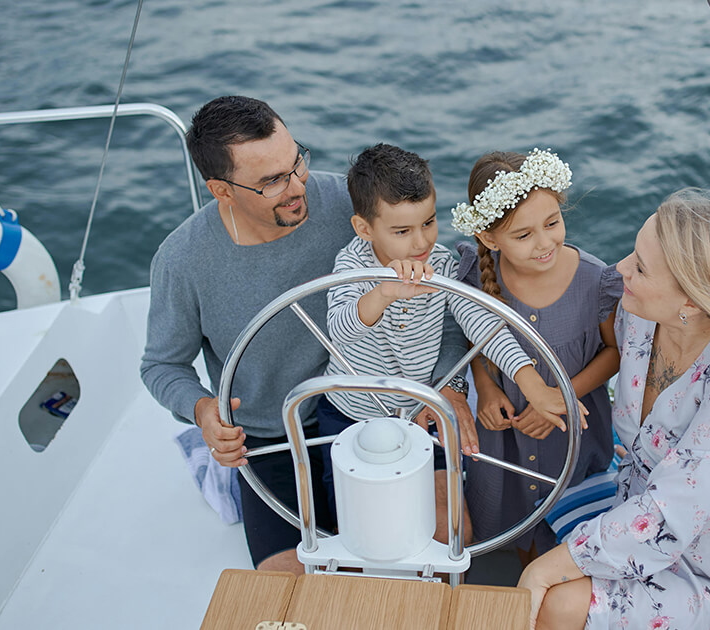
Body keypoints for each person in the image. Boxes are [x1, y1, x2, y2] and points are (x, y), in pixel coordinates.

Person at [139, 97, 472, 574]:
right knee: (288, 587)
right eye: (271, 180)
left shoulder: (350, 206)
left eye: (296, 162)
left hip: (377, 410)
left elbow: (445, 303)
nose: (297, 187)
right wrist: (203, 411)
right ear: (220, 190)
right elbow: (161, 366)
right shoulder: (182, 261)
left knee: (438, 544)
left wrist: (447, 387)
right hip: (271, 435)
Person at [518, 190, 710, 630]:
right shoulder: (642, 316)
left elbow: (670, 515)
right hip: (641, 517)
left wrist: (546, 569)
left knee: (555, 599)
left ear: (690, 302)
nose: (620, 268)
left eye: (640, 268)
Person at [319, 143, 585, 541]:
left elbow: (481, 324)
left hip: (427, 416)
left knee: (449, 531)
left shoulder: (441, 266)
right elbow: (339, 331)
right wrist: (384, 292)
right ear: (364, 228)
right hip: (352, 416)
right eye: (402, 231)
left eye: (428, 222)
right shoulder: (351, 266)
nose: (420, 242)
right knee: (358, 530)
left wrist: (533, 384)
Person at [452, 149, 621, 562]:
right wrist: (486, 387)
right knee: (502, 509)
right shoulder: (478, 271)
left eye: (552, 223)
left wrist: (565, 396)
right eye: (523, 235)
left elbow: (614, 353)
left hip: (570, 434)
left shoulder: (595, 280)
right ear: (490, 239)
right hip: (503, 433)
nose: (545, 243)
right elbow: (474, 337)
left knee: (565, 530)